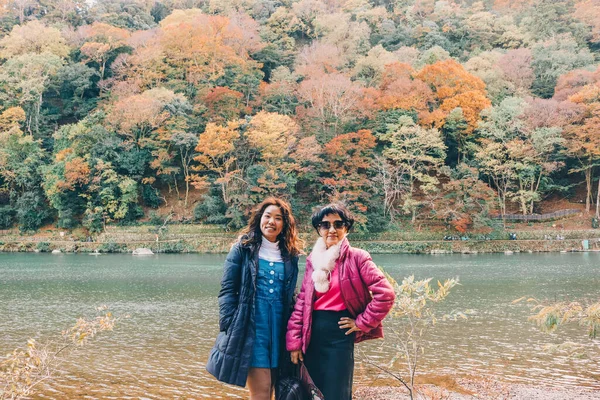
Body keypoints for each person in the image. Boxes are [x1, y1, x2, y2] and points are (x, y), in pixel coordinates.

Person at [286, 203, 396, 400]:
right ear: (318, 229)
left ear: (346, 228)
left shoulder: (357, 257)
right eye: (325, 224)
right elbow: (302, 302)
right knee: (311, 392)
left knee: (337, 393)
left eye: (338, 224)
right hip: (312, 334)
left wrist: (361, 322)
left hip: (339, 335)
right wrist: (294, 342)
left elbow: (385, 294)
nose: (332, 230)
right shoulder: (313, 260)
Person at [206, 197, 304, 400]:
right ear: (260, 219)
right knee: (261, 390)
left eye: (278, 218)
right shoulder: (243, 248)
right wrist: (229, 325)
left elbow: (291, 293)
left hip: (280, 328)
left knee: (278, 390)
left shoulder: (290, 255)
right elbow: (227, 291)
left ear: (284, 224)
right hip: (251, 328)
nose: (271, 222)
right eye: (267, 216)